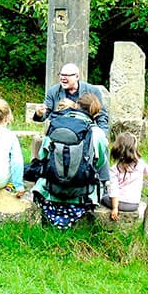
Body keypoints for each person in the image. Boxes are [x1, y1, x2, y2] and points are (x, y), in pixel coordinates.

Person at [32, 92, 115, 229]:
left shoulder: (55, 124)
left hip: (51, 192)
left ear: (76, 105)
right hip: (81, 197)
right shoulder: (97, 133)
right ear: (95, 114)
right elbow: (99, 163)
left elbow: (42, 155)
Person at [33, 63, 109, 133]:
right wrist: (39, 113)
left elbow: (101, 116)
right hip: (59, 131)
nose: (63, 78)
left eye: (66, 75)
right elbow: (44, 114)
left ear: (77, 76)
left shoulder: (92, 91)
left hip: (84, 132)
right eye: (61, 75)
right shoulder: (53, 91)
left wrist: (102, 135)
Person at [102, 132, 148, 221]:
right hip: (134, 204)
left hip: (120, 203)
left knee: (104, 197)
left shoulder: (114, 169)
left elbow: (114, 190)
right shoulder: (141, 163)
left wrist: (115, 208)